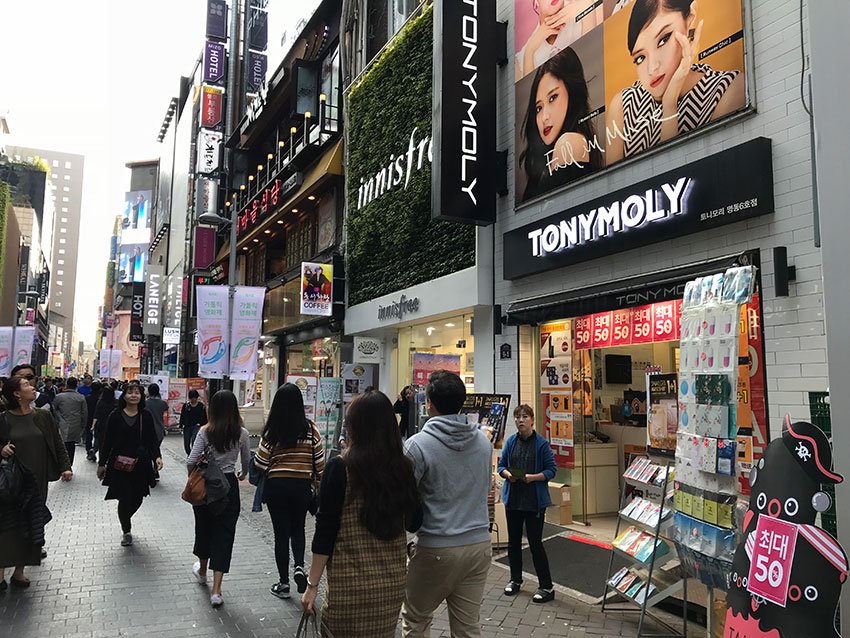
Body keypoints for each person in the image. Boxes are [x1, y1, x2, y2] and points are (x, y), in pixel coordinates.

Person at [301, 391, 422, 636]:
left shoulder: (340, 468)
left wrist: (312, 585)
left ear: (355, 428)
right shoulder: (403, 469)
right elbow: (415, 521)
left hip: (349, 587)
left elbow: (325, 533)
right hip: (390, 585)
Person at [400, 370, 493, 638]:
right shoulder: (483, 443)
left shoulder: (417, 446)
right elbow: (486, 489)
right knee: (467, 628)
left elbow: (403, 496)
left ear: (429, 403)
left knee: (416, 619)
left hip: (436, 545)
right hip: (478, 546)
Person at [606, 0, 745, 163]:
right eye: (640, 58)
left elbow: (689, 176)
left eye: (664, 39)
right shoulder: (624, 105)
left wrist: (670, 104)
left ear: (690, 18)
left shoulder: (728, 89)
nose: (652, 68)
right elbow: (612, 185)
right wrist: (668, 103)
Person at [0, 375, 72, 590]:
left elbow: (57, 441)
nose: (32, 388)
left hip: (37, 480)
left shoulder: (42, 416)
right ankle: (1, 572)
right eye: (26, 385)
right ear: (16, 394)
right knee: (6, 525)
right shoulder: (3, 419)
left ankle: (20, 572)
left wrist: (65, 466)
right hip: (10, 482)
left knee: (31, 524)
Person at [254, 383, 324, 599]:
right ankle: (300, 567)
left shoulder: (272, 431)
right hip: (301, 487)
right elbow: (320, 463)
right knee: (299, 528)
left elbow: (260, 463)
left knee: (280, 535)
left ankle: (283, 583)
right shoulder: (311, 429)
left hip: (277, 487)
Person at [187, 390, 250, 608]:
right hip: (229, 485)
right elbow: (247, 461)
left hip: (206, 485)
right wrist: (241, 474)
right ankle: (216, 590)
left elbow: (191, 459)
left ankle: (202, 571)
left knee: (203, 528)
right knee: (224, 534)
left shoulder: (205, 432)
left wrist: (193, 476)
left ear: (212, 409)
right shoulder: (241, 433)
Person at [519, 48, 603, 202]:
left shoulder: (569, 143)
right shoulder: (547, 160)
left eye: (553, 97)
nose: (544, 117)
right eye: (538, 108)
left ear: (571, 93)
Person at [498, 405, 557, 603]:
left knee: (535, 543)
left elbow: (551, 470)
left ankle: (546, 586)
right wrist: (508, 475)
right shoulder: (511, 442)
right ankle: (515, 579)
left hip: (534, 501)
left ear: (532, 420)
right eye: (517, 417)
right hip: (513, 499)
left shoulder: (541, 444)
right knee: (513, 542)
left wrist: (534, 477)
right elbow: (501, 466)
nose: (520, 420)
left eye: (524, 417)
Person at [96, 384, 162, 547]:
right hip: (120, 464)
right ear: (123, 396)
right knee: (125, 497)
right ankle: (126, 530)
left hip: (141, 464)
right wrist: (101, 463)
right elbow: (107, 441)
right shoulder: (115, 416)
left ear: (142, 396)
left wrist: (157, 457)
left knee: (138, 497)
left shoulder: (145, 416)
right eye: (130, 392)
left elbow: (152, 439)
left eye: (137, 393)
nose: (133, 395)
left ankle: (125, 516)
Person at [515, 0, 602, 81]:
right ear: (536, 2)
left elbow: (593, 70)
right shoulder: (521, 58)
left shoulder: (591, 6)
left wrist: (588, 12)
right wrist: (529, 51)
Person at [52, 377, 88, 466]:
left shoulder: (59, 397)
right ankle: (69, 464)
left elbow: (53, 409)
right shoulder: (81, 397)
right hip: (75, 424)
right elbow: (84, 413)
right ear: (76, 385)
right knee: (71, 445)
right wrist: (83, 425)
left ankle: (62, 464)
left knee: (61, 445)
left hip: (61, 424)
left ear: (66, 385)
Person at [145, 384, 169, 481]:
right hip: (159, 430)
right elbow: (166, 408)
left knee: (149, 451)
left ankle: (152, 470)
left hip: (148, 431)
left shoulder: (145, 403)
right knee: (156, 448)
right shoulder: (162, 403)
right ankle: (156, 468)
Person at [91, 384, 117, 456]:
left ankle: (101, 458)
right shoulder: (116, 403)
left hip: (102, 425)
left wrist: (93, 426)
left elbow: (96, 415)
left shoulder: (100, 402)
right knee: (112, 443)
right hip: (113, 426)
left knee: (101, 443)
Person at [180, 390, 208, 456]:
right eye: (191, 398)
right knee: (186, 443)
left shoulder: (201, 406)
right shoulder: (186, 406)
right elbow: (182, 415)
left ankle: (194, 456)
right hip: (187, 426)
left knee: (194, 440)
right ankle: (190, 455)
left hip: (197, 426)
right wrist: (181, 425)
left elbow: (204, 418)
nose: (193, 400)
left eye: (194, 398)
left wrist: (204, 426)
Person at [84, 382, 102, 461]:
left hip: (89, 418)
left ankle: (89, 450)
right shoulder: (101, 398)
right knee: (97, 436)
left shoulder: (87, 397)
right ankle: (94, 449)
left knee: (88, 435)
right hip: (99, 419)